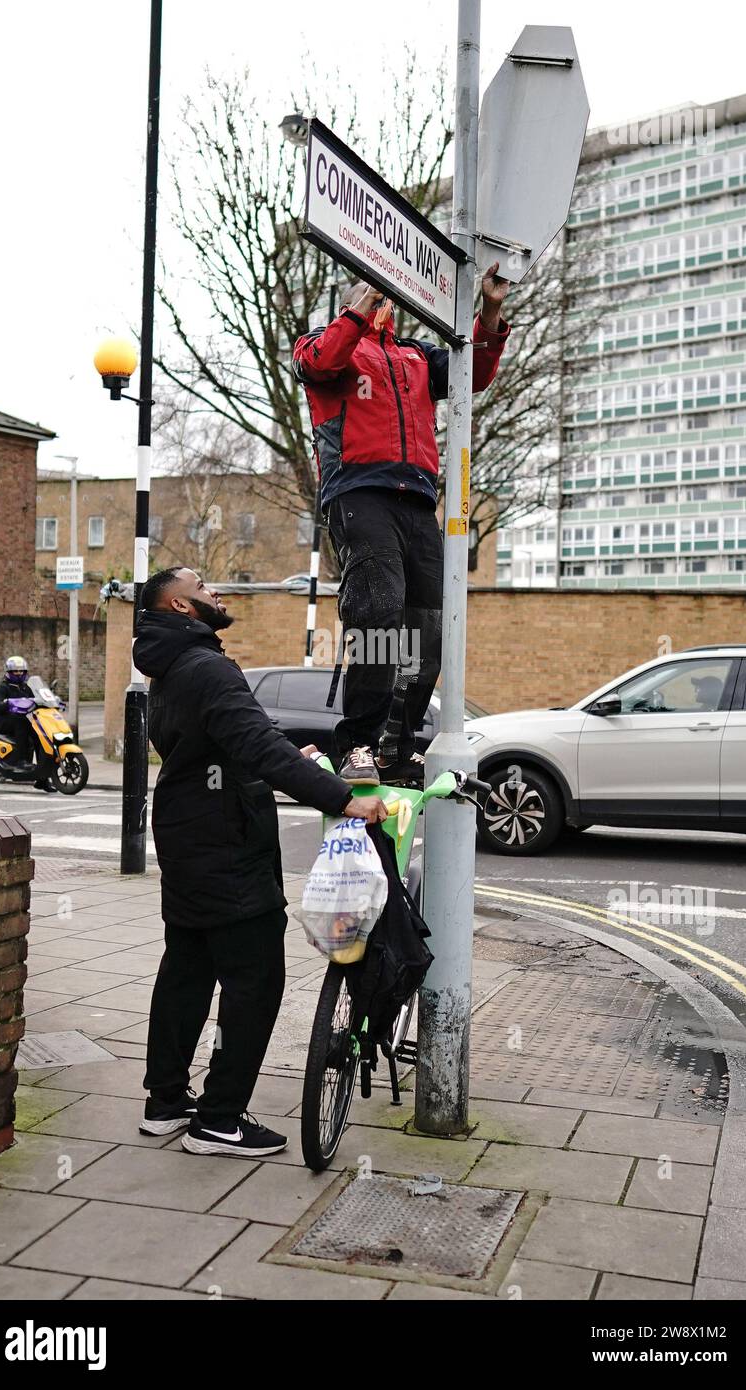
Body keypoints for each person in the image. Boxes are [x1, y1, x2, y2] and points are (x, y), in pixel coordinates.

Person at [132, 565, 387, 1159]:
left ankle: (165, 1102)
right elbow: (254, 743)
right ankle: (219, 1120)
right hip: (225, 844)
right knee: (255, 980)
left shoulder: (169, 667)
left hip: (187, 833)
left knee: (187, 971)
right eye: (202, 587)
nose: (215, 592)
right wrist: (343, 799)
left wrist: (282, 757)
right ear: (179, 607)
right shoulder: (207, 667)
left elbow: (219, 745)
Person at [293, 265, 511, 786]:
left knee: (428, 630)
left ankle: (397, 745)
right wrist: (364, 300)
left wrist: (490, 311)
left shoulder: (416, 355)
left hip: (417, 500)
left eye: (385, 296)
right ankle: (359, 743)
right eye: (373, 294)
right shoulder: (325, 343)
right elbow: (320, 362)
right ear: (352, 301)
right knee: (379, 614)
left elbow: (473, 375)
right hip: (359, 493)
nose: (383, 300)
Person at [0, 655, 55, 792]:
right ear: (9, 672)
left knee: (40, 735)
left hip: (19, 720)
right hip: (1, 720)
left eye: (21, 671)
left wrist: (47, 702)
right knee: (22, 723)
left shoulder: (25, 687)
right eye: (15, 671)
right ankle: (19, 761)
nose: (19, 674)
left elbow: (35, 700)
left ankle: (43, 778)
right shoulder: (2, 687)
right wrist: (8, 703)